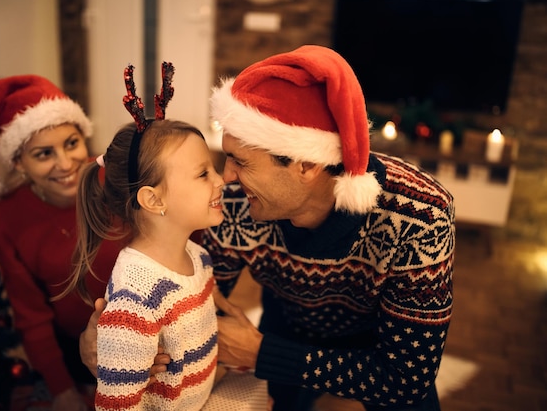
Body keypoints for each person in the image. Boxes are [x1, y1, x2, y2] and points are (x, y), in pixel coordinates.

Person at [81, 45, 455, 411]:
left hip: (377, 344)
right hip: (287, 324)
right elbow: (202, 301)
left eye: (240, 161)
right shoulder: (232, 205)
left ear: (306, 166)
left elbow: (406, 380)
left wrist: (265, 353)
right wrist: (118, 343)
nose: (226, 178)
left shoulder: (421, 216)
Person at [0, 75, 167, 411]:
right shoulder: (7, 217)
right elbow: (30, 313)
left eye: (71, 143)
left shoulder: (117, 177)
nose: (65, 163)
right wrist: (61, 389)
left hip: (157, 335)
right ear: (19, 163)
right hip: (77, 349)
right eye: (43, 153)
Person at [63, 63, 227, 410]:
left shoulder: (199, 257)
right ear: (153, 199)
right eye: (203, 174)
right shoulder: (134, 298)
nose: (221, 181)